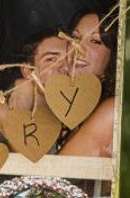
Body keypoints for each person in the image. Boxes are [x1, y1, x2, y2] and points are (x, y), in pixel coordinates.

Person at [8, 9, 117, 157]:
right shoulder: (69, 110)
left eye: (95, 41)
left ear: (113, 56)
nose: (78, 47)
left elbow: (51, 171)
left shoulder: (112, 112)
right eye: (75, 37)